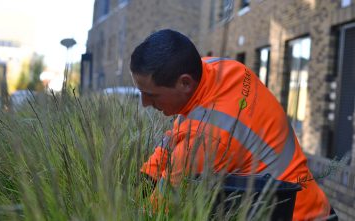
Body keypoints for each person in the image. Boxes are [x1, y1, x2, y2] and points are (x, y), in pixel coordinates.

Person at [130, 29, 332, 220]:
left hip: (292, 215)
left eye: (151, 95)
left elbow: (156, 211)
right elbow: (173, 138)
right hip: (314, 205)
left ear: (185, 83)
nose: (145, 104)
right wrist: (146, 176)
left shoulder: (208, 137)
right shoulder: (220, 67)